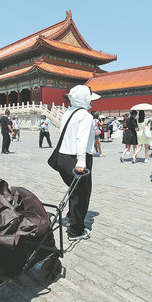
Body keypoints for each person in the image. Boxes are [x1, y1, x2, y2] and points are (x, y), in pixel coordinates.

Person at [54, 85, 99, 241]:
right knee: (81, 195)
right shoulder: (86, 116)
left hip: (63, 157)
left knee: (74, 192)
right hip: (77, 159)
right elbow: (81, 139)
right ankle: (75, 231)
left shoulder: (68, 112)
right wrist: (81, 161)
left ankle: (70, 216)